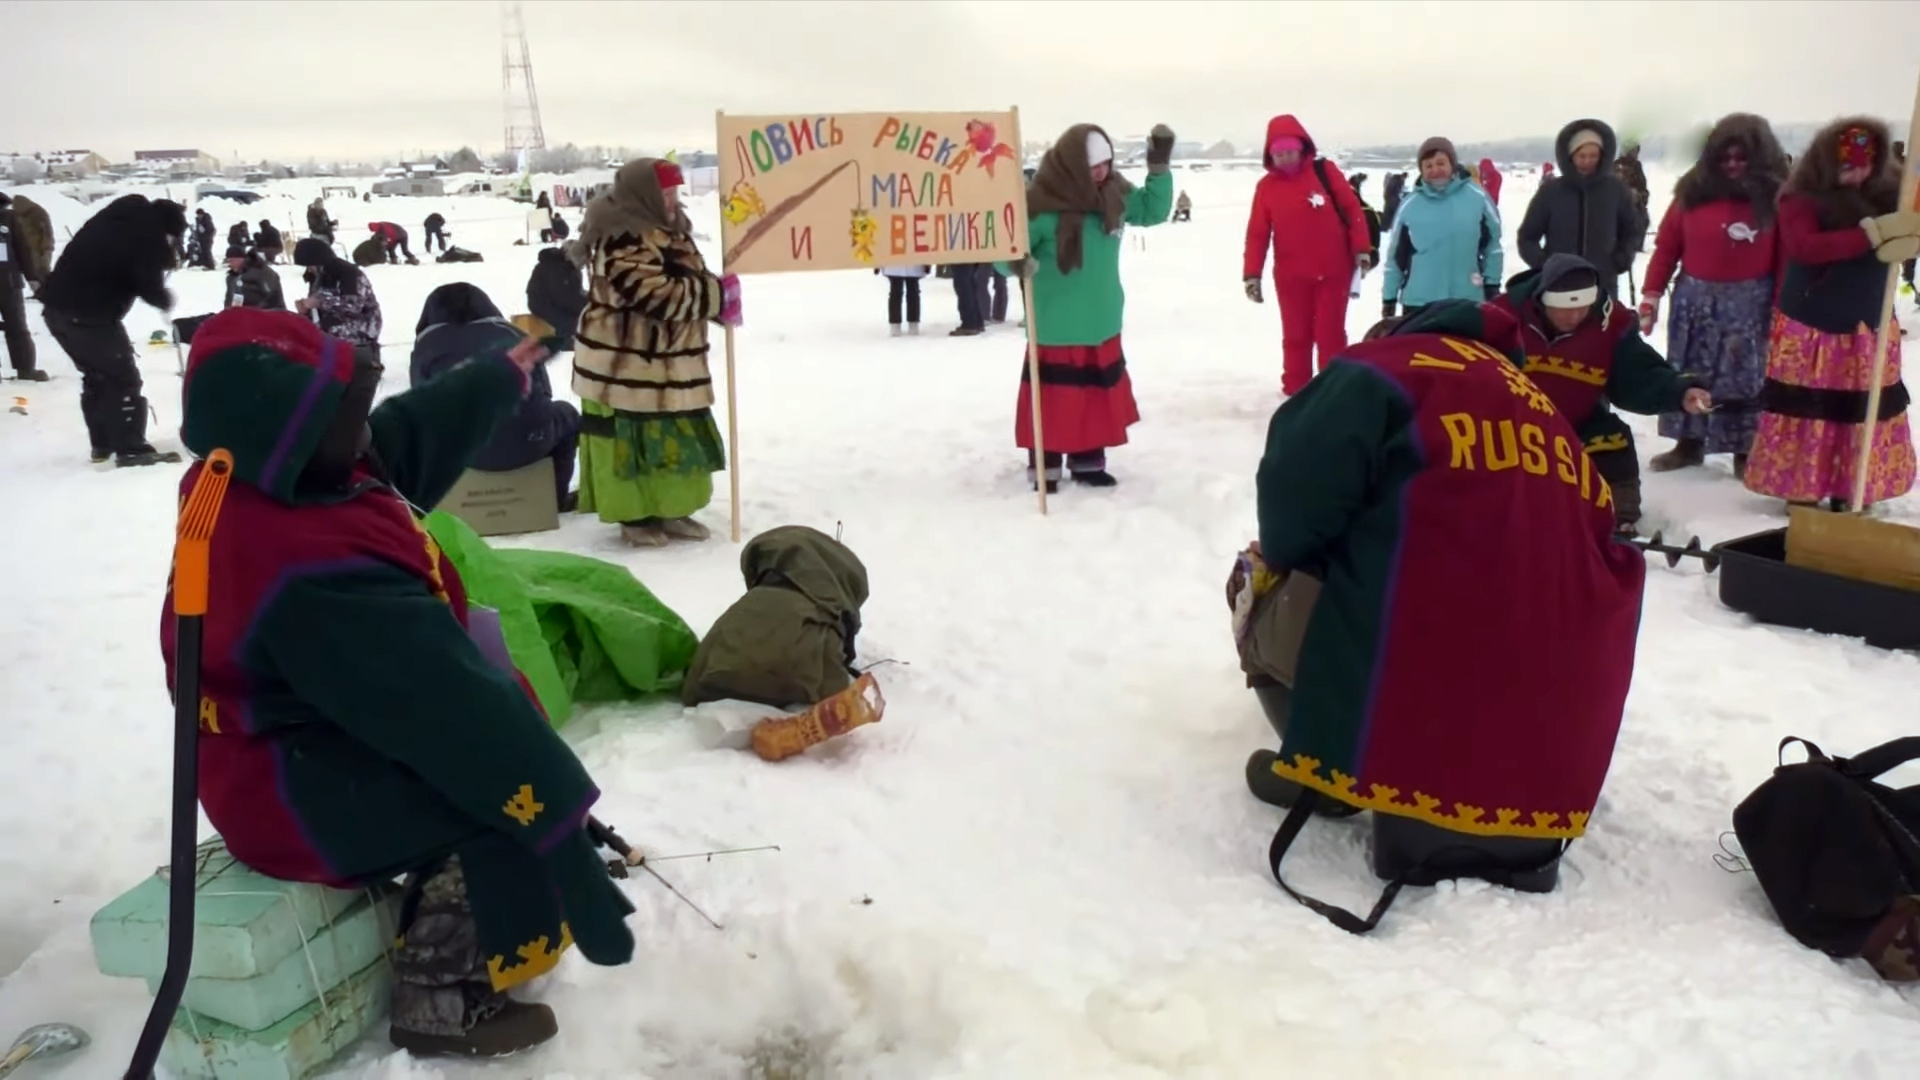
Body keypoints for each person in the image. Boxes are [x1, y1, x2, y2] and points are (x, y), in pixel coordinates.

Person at [165, 306, 635, 1058]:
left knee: (511, 784)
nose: (362, 435)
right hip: (286, 790)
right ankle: (443, 995)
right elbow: (458, 716)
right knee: (500, 805)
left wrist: (488, 382)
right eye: (342, 418)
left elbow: (392, 445)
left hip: (296, 740)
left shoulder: (269, 469)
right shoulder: (306, 571)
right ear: (292, 429)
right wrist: (553, 816)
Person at [1246, 300, 1645, 923]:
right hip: (1555, 735)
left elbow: (1291, 511)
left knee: (1258, 577)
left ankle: (1322, 770)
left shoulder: (1378, 369)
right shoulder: (1542, 407)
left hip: (1426, 670)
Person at [1745, 117, 1918, 510]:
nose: (1855, 174)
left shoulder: (1895, 194)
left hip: (1868, 322)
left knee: (1859, 406)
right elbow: (1806, 247)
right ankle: (1802, 486)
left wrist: (1909, 239)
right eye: (1846, 166)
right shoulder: (1800, 198)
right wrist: (1870, 235)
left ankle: (1851, 487)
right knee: (1808, 405)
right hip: (1813, 323)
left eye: (1863, 166)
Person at [572, 158, 740, 547]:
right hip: (624, 367)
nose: (672, 200)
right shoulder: (622, 236)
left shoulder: (671, 230)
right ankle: (635, 517)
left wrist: (714, 296)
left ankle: (671, 510)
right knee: (630, 448)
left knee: (675, 444)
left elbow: (685, 280)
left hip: (668, 366)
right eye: (665, 193)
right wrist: (715, 296)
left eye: (675, 193)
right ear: (643, 194)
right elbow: (654, 295)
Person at [1001, 122, 1174, 490]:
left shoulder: (1115, 195)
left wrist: (1158, 167)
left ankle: (1088, 462)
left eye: (1105, 164)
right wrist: (1016, 263)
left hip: (1101, 319)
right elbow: (1006, 249)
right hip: (1054, 324)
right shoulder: (1039, 204)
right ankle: (1045, 465)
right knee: (1053, 400)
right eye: (1092, 166)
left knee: (1093, 399)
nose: (1100, 172)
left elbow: (1153, 212)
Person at [1494, 254, 1712, 534]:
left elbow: (1637, 373)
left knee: (1614, 443)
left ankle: (1616, 521)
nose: (1573, 316)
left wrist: (1679, 391)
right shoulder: (1503, 317)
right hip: (1509, 424)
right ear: (1543, 300)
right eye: (1563, 309)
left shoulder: (1612, 325)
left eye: (1583, 308)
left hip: (1579, 422)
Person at [1638, 113, 1788, 478]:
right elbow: (1666, 247)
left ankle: (1743, 448)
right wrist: (1651, 295)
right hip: (1694, 302)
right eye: (1726, 159)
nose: (1733, 165)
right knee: (1692, 371)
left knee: (1744, 377)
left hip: (1750, 305)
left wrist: (1784, 309)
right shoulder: (1691, 195)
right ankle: (1689, 443)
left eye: (1742, 158)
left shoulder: (1777, 200)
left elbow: (1786, 257)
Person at [36, 194, 188, 466]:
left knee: (96, 376)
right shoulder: (147, 235)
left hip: (57, 310)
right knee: (122, 378)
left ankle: (103, 444)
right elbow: (147, 282)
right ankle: (131, 449)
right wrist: (164, 298)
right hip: (88, 315)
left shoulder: (118, 219)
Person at [412, 283, 579, 511]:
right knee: (566, 414)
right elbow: (544, 392)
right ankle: (554, 497)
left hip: (459, 454)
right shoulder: (514, 336)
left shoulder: (426, 346)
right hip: (529, 443)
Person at [1242, 114, 1373, 396]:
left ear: (1302, 148)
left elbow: (1352, 210)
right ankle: (1295, 391)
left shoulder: (1325, 171)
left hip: (1334, 271)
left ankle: (1334, 390)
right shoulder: (1266, 188)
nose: (1286, 158)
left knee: (1330, 335)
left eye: (1290, 151)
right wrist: (1252, 274)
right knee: (1295, 336)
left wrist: (1361, 249)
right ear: (1270, 156)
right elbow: (1257, 234)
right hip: (1291, 277)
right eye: (1279, 154)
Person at [1517, 120, 1645, 297]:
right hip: (1558, 285)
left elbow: (1632, 230)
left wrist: (1622, 258)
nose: (1587, 162)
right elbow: (1527, 237)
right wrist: (1545, 265)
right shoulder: (1551, 192)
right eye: (1581, 156)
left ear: (1602, 155)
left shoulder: (1616, 190)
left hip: (1603, 284)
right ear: (1570, 156)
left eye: (1593, 156)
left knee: (1603, 324)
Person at [1381, 136, 1504, 319]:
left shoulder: (1478, 198)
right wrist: (1389, 298)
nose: (1435, 170)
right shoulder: (1410, 206)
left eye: (1441, 163)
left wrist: (1492, 284)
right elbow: (1396, 257)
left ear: (1452, 164)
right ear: (1421, 170)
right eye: (1428, 166)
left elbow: (1492, 246)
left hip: (1467, 299)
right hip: (1419, 304)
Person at [292, 236, 383, 367]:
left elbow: (353, 306)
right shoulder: (320, 277)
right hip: (335, 323)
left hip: (363, 325)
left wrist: (319, 302)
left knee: (332, 333)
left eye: (310, 266)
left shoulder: (349, 274)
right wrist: (305, 310)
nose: (310, 269)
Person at [0, 194, 44, 380]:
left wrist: (32, 277)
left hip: (9, 282)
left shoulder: (8, 218)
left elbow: (22, 248)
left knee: (17, 325)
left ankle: (25, 369)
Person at [525, 246, 587, 350]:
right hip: (542, 304)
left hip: (555, 301)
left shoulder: (570, 268)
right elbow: (563, 297)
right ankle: (564, 343)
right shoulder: (556, 268)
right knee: (573, 323)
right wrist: (585, 306)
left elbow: (575, 291)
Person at [7, 194, 53, 296]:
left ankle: (48, 293)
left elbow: (46, 232)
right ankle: (38, 292)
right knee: (32, 270)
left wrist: (46, 247)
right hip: (28, 247)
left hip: (40, 247)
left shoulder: (38, 213)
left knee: (42, 269)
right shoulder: (17, 215)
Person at [223, 244, 286, 311]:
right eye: (228, 261)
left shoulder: (261, 272)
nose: (230, 264)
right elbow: (229, 299)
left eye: (232, 260)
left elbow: (272, 296)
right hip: (241, 316)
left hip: (265, 315)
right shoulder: (231, 278)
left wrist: (256, 312)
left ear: (241, 259)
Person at [881, 263, 928, 336]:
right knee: (895, 293)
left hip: (914, 263)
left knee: (913, 293)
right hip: (894, 264)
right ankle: (895, 324)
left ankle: (913, 322)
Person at [949, 261, 990, 336]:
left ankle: (970, 324)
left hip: (961, 258)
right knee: (969, 284)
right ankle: (977, 322)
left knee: (964, 286)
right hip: (970, 258)